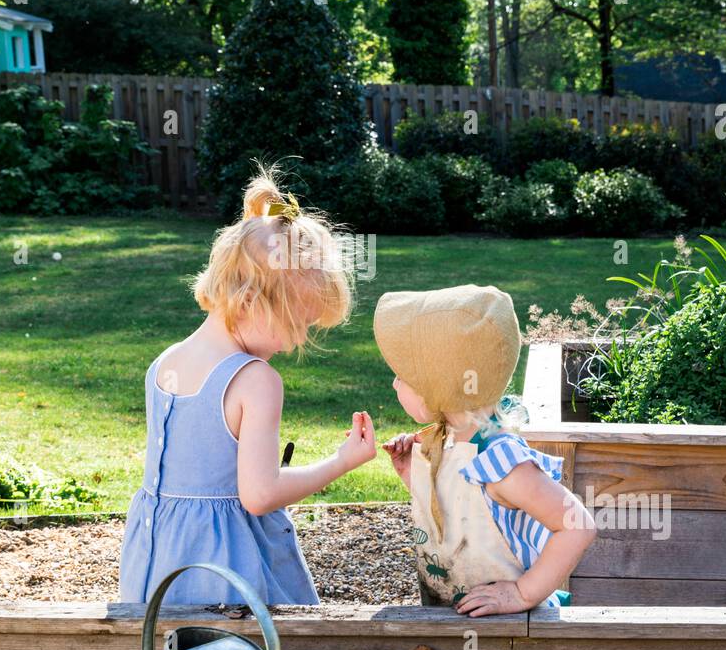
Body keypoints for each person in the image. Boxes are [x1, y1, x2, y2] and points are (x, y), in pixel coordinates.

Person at [120, 169, 375, 607]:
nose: (295, 342)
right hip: (223, 572)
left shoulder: (165, 363)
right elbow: (259, 496)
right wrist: (342, 460)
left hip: (156, 562)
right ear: (252, 301)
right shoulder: (256, 380)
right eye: (297, 325)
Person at [375, 284, 595, 615]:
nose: (394, 383)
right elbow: (464, 512)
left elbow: (578, 525)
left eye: (403, 376)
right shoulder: (446, 439)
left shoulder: (501, 461)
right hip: (458, 625)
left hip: (513, 637)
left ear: (440, 383)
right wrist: (414, 476)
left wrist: (522, 594)